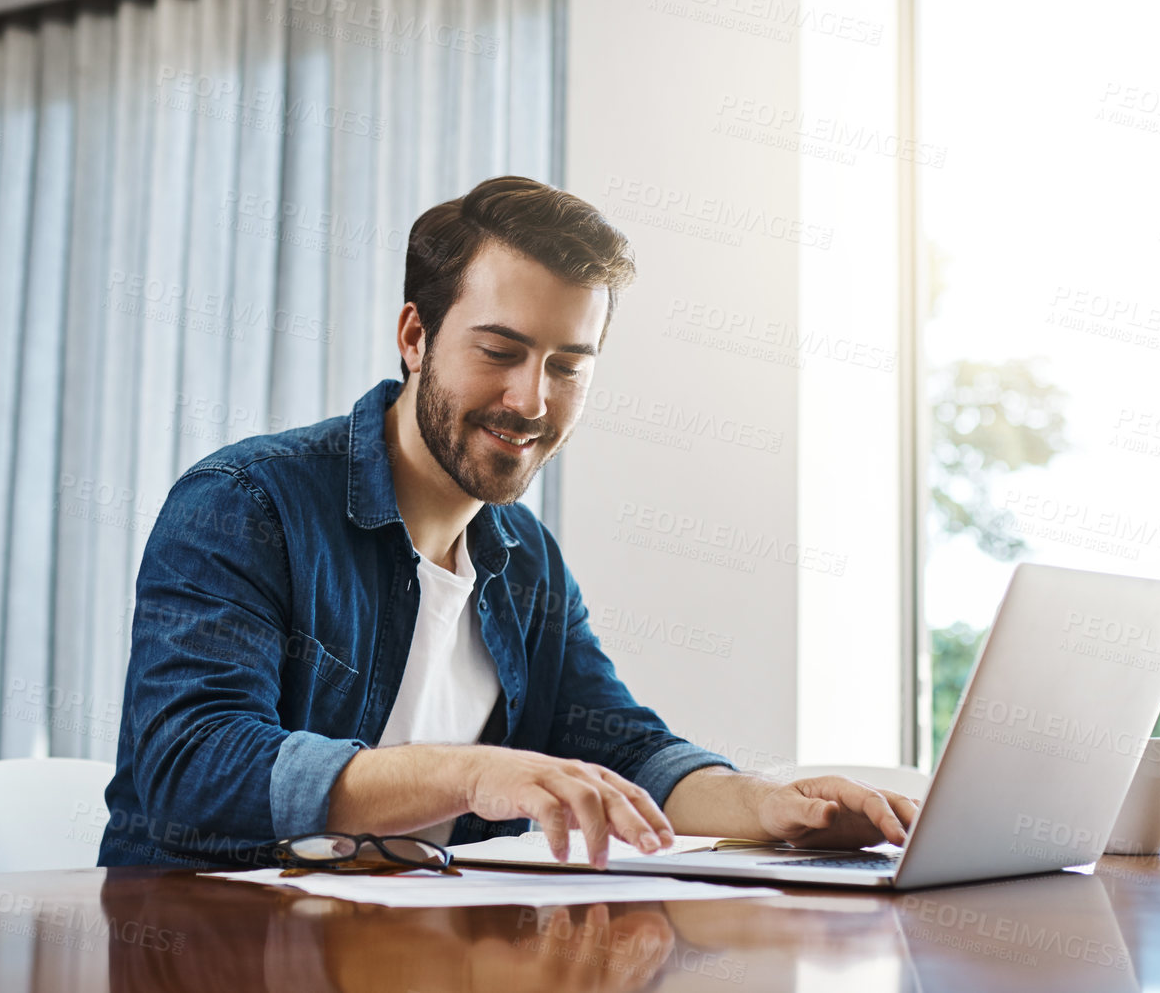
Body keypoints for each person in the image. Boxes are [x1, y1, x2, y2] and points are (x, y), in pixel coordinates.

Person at [99, 176, 918, 870]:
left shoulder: (524, 558)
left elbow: (622, 750)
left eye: (568, 366)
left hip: (427, 952)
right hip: (213, 950)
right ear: (415, 337)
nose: (531, 401)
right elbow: (192, 760)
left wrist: (770, 806)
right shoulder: (246, 501)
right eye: (499, 352)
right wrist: (471, 775)